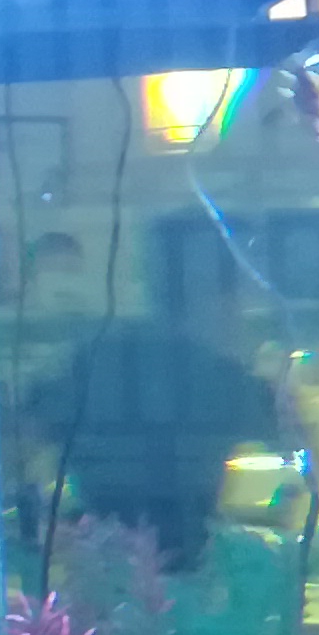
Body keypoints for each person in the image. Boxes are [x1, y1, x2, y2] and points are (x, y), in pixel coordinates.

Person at [24, 214, 279, 575]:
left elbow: (25, 433)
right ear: (217, 295)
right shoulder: (223, 377)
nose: (242, 311)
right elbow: (297, 445)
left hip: (99, 566)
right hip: (187, 567)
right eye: (240, 293)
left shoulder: (90, 359)